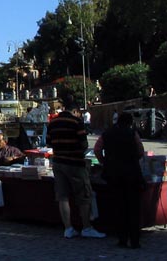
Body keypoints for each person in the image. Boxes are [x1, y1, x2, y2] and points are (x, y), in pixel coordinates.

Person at [46, 102, 105, 239]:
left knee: (63, 197)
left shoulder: (53, 122)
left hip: (58, 162)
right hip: (75, 163)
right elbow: (84, 143)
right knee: (83, 195)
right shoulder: (76, 122)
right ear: (75, 111)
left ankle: (68, 228)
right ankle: (86, 227)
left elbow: (48, 142)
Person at [94, 112, 145, 249]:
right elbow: (140, 150)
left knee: (119, 206)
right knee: (133, 208)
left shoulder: (107, 134)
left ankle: (122, 238)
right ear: (130, 122)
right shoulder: (132, 133)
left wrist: (104, 162)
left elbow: (97, 149)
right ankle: (134, 240)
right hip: (132, 173)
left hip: (113, 174)